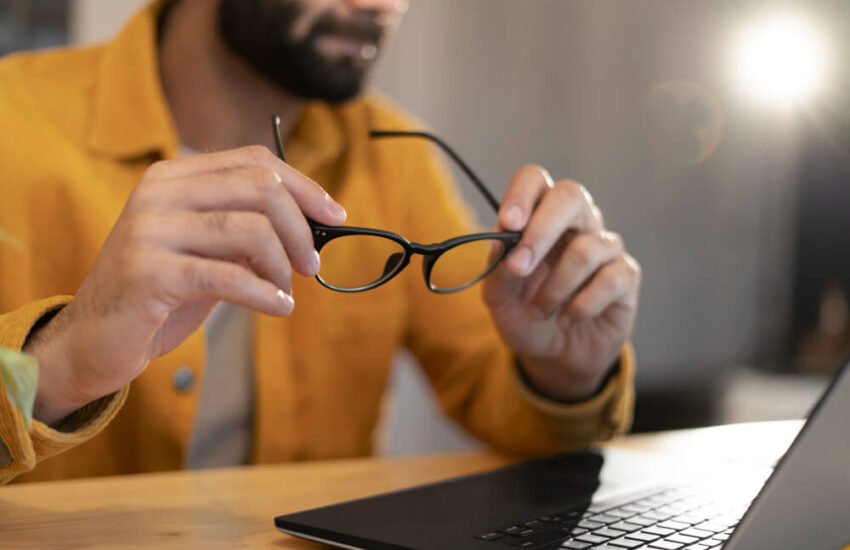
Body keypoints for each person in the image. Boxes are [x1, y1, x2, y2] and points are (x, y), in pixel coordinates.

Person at [0, 0, 640, 484]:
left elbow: (506, 409)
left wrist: (564, 373)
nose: (380, 5)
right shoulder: (14, 122)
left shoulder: (394, 160)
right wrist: (57, 366)